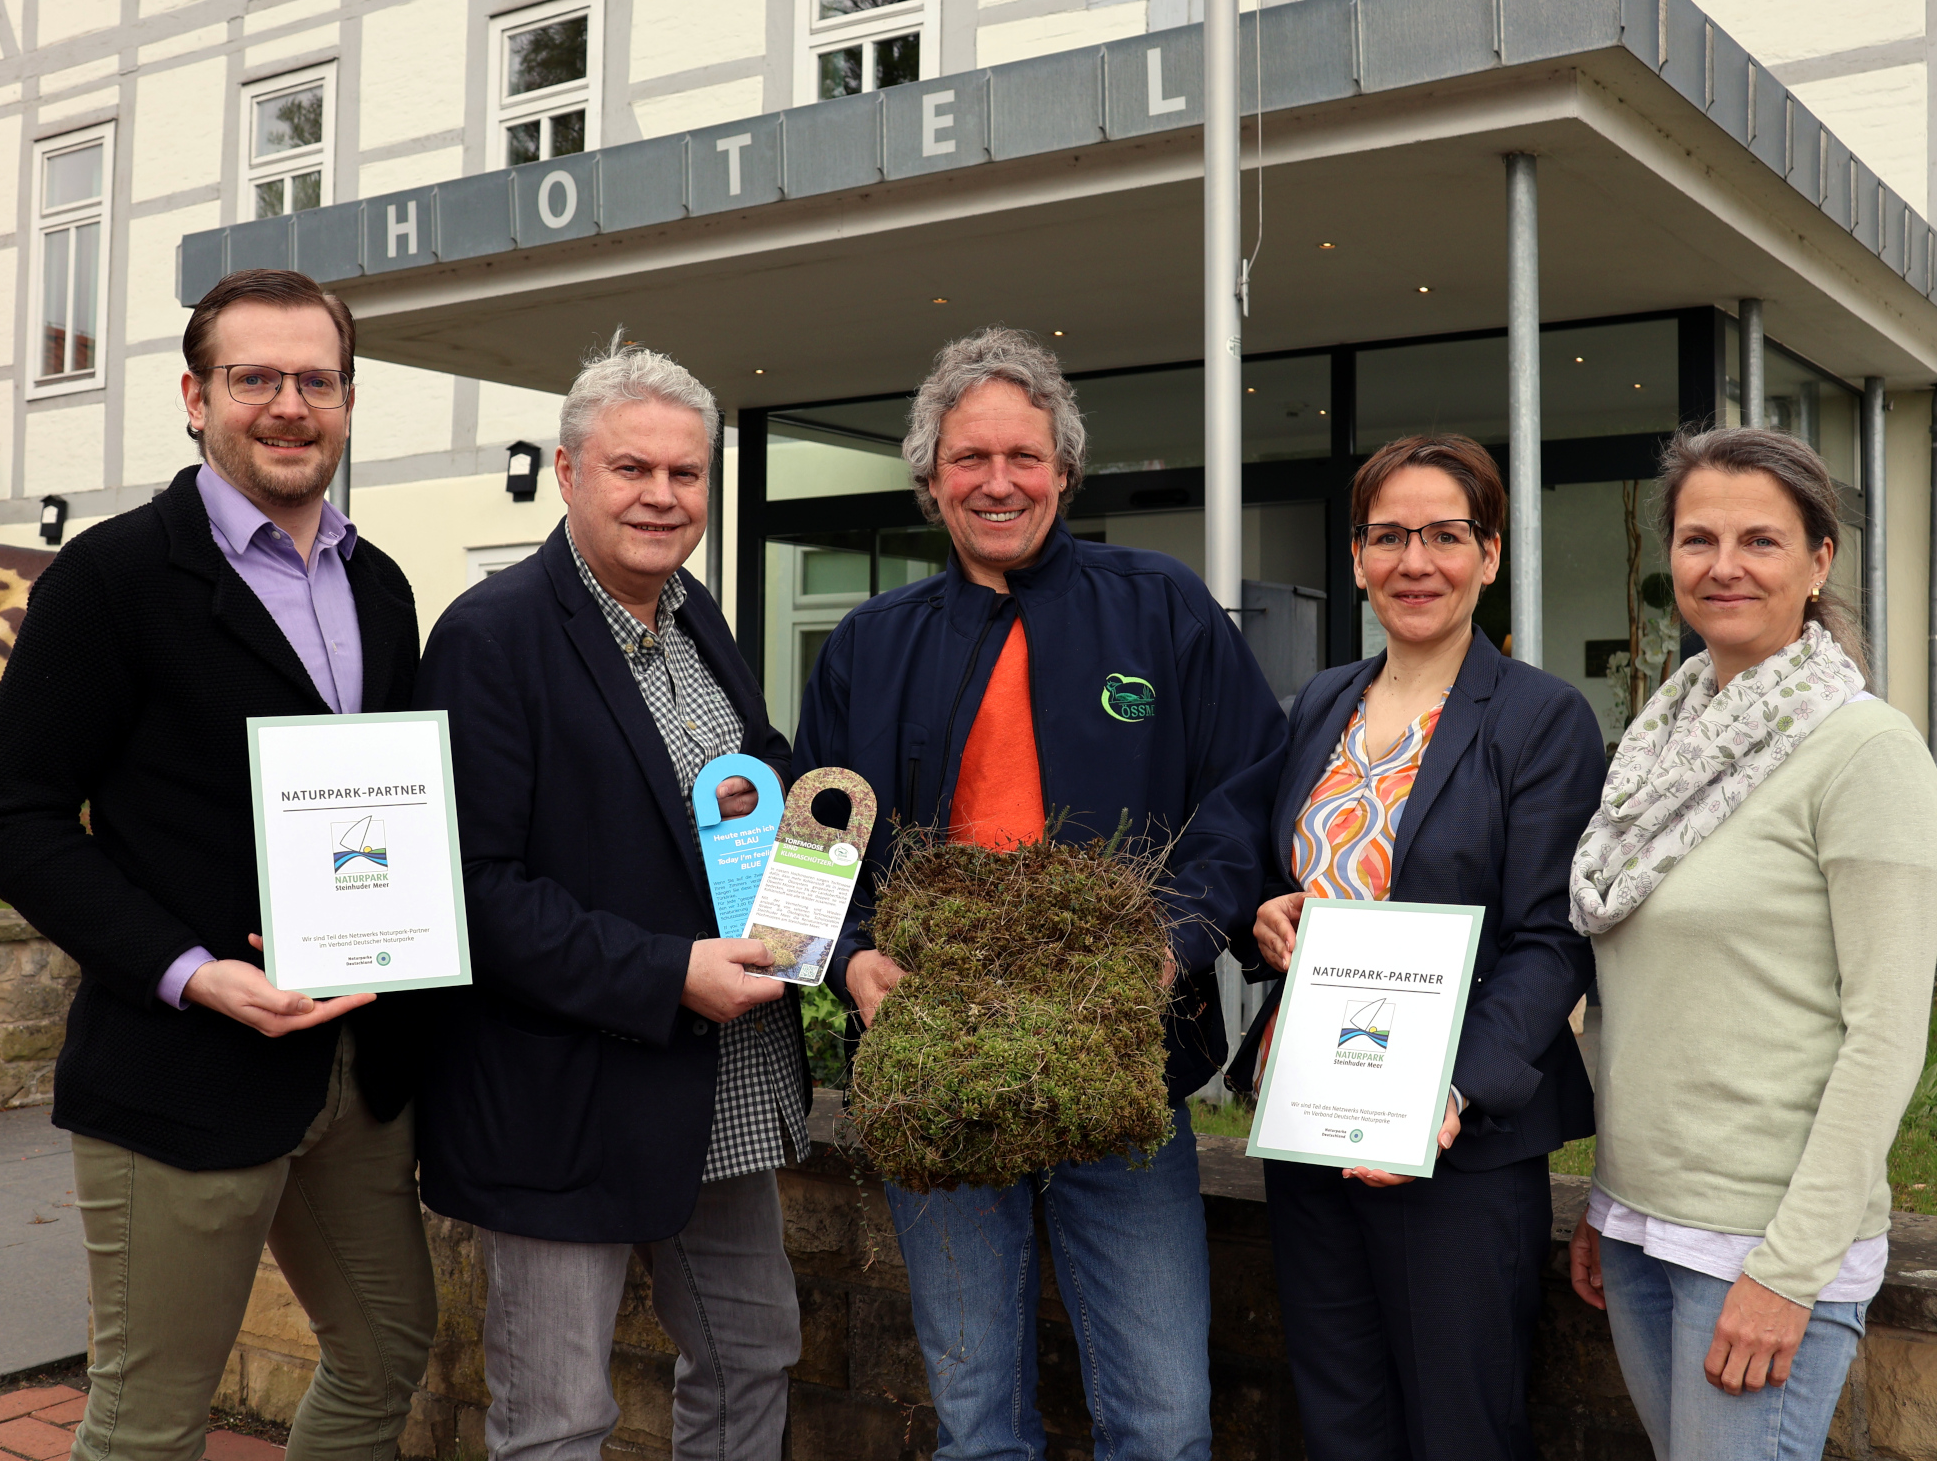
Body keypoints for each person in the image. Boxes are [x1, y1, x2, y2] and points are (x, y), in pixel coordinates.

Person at [0, 268, 436, 1459]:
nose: (288, 404)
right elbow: (8, 819)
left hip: (353, 1065)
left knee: (386, 1356)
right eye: (254, 378)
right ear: (195, 396)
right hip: (181, 1065)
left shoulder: (380, 586)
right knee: (150, 1420)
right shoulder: (114, 580)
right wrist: (189, 969)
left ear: (346, 397)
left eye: (314, 380)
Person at [793, 325, 1286, 1461]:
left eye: (1023, 457)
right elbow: (818, 836)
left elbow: (1243, 791)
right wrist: (854, 954)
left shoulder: (1158, 608)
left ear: (1062, 471)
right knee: (975, 1423)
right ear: (930, 480)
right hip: (936, 1061)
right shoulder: (869, 646)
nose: (998, 481)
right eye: (970, 459)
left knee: (1161, 1421)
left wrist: (1173, 937)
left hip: (1118, 1056)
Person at [414, 331, 805, 1461]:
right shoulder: (493, 636)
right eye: (632, 469)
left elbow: (753, 796)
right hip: (563, 1092)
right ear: (572, 472)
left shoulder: (700, 621)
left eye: (684, 474)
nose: (661, 495)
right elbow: (473, 891)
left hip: (717, 1083)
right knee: (558, 1416)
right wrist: (666, 971)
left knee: (752, 1355)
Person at [1566, 427, 1937, 1461]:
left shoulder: (1863, 751)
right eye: (1696, 539)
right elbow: (1645, 1007)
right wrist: (1609, 1198)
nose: (1722, 566)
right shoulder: (1664, 741)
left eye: (1759, 541)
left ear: (1818, 560)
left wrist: (1788, 1270)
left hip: (1762, 1243)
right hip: (1643, 1220)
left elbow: (1884, 1038)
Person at [1245, 434, 1605, 1461]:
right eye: (1389, 536)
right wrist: (1268, 918)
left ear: (1488, 555)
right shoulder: (1318, 704)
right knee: (1337, 1414)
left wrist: (1446, 1094)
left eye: (1445, 535)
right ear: (1355, 556)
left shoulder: (1539, 719)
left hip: (1458, 1138)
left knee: (1459, 1426)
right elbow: (1298, 880)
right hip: (1312, 1112)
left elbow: (1549, 942)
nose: (1416, 562)